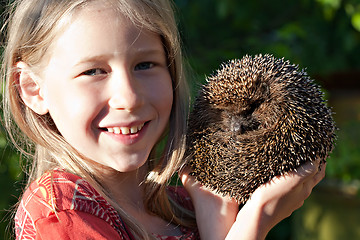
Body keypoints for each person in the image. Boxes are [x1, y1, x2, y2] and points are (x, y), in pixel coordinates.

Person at [1, 0, 326, 239]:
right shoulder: (61, 215)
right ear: (33, 89)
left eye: (145, 65)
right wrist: (254, 223)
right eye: (93, 71)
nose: (128, 98)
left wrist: (217, 221)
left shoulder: (189, 207)